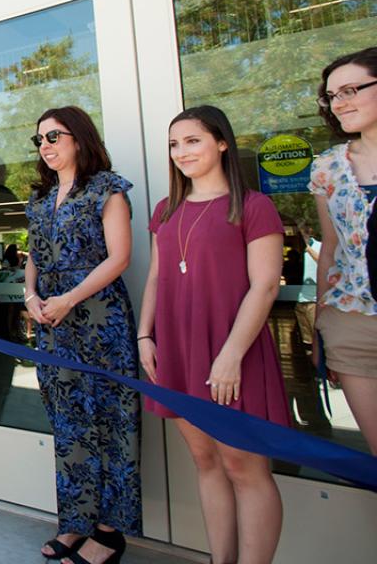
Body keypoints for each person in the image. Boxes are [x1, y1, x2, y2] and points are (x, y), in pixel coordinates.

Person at [139, 105, 287, 564]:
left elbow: (264, 287)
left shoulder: (255, 206)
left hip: (231, 351)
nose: (181, 152)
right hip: (177, 350)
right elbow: (157, 278)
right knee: (206, 462)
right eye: (173, 144)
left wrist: (230, 356)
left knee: (245, 467)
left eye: (192, 140)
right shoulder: (167, 209)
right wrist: (145, 335)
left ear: (222, 142)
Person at [22, 108, 140, 564]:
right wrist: (30, 295)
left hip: (98, 319)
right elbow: (33, 255)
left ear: (79, 137)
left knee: (110, 422)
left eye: (54, 135)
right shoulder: (39, 198)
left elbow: (119, 258)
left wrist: (69, 298)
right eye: (39, 140)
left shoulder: (107, 189)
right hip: (52, 324)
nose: (45, 145)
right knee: (68, 424)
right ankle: (76, 521)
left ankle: (109, 532)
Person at [310, 46, 377, 454]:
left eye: (350, 90)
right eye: (333, 96)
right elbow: (330, 249)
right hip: (351, 322)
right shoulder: (328, 166)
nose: (340, 103)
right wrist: (321, 325)